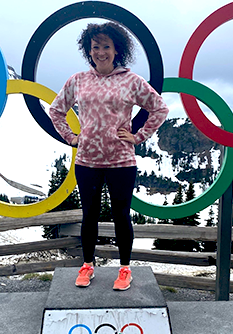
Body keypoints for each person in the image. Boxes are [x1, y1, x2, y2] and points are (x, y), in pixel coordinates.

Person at [49, 22, 169, 291]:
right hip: (87, 161)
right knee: (89, 215)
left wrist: (138, 137)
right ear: (88, 50)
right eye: (95, 47)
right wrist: (72, 137)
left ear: (117, 50)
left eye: (106, 46)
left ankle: (124, 269)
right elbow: (56, 110)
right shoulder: (78, 80)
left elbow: (159, 109)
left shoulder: (131, 81)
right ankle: (87, 265)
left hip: (121, 161)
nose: (100, 52)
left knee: (121, 216)